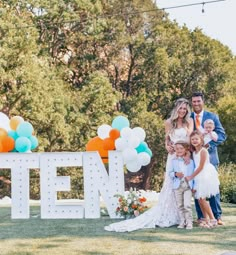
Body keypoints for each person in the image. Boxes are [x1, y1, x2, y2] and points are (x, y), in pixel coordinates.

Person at [104, 98, 193, 232]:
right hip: (173, 156)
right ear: (176, 109)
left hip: (185, 156)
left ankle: (184, 217)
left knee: (184, 184)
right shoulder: (169, 122)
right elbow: (167, 139)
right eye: (180, 108)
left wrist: (187, 155)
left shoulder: (189, 122)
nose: (182, 111)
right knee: (171, 183)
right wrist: (168, 147)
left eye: (185, 109)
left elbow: (190, 140)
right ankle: (171, 214)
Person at [191, 92, 226, 225]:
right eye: (194, 101)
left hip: (210, 158)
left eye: (198, 101)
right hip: (195, 158)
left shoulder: (212, 116)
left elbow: (222, 135)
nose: (196, 104)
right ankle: (201, 217)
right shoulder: (189, 117)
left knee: (213, 189)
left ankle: (217, 216)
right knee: (198, 187)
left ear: (203, 101)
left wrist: (207, 146)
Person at [185, 130, 219, 228]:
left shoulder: (203, 151)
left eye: (196, 139)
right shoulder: (194, 151)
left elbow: (201, 166)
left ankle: (213, 219)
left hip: (204, 174)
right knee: (199, 199)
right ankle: (206, 219)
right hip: (198, 175)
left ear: (201, 140)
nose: (194, 141)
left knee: (202, 198)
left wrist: (191, 176)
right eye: (192, 139)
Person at [169, 141, 195, 230]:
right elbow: (170, 173)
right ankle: (182, 221)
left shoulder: (190, 161)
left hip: (187, 186)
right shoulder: (173, 161)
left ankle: (189, 222)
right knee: (180, 205)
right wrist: (176, 174)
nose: (179, 150)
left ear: (186, 149)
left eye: (181, 148)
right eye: (177, 149)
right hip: (177, 186)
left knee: (187, 205)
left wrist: (193, 186)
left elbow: (193, 174)